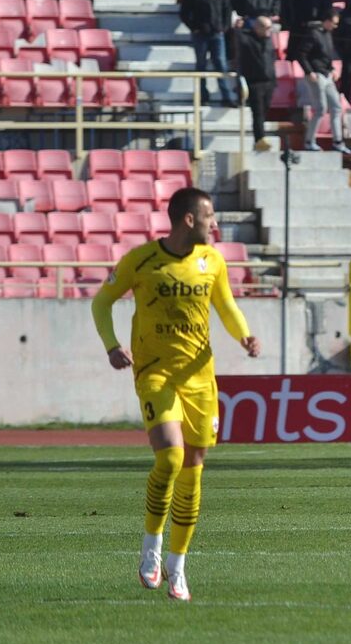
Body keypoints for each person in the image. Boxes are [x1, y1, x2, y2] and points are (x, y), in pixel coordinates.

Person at [91, 187, 260, 602]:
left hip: (200, 377)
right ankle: (151, 547)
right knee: (170, 455)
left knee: (195, 466)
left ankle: (178, 566)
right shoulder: (142, 260)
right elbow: (102, 301)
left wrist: (245, 336)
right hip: (155, 373)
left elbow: (226, 306)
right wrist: (112, 345)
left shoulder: (213, 261)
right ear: (189, 219)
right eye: (209, 217)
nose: (215, 225)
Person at [179, 0, 237, 107]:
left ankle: (226, 96)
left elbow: (227, 10)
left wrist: (224, 27)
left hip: (217, 33)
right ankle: (202, 95)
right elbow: (184, 12)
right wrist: (194, 27)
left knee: (221, 64)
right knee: (201, 66)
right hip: (200, 34)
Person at [294, 12, 351, 153]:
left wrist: (332, 69)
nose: (335, 26)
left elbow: (327, 56)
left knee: (336, 107)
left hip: (327, 75)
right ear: (327, 21)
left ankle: (337, 141)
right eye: (334, 23)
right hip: (316, 75)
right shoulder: (313, 34)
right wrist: (309, 71)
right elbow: (301, 54)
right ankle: (309, 141)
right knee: (320, 109)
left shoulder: (327, 35)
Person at [233, 15, 277, 151]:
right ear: (257, 27)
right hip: (255, 81)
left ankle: (260, 136)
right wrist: (237, 30)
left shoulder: (269, 41)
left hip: (268, 81)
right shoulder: (246, 39)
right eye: (267, 27)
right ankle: (260, 139)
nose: (270, 30)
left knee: (264, 110)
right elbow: (237, 42)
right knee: (257, 111)